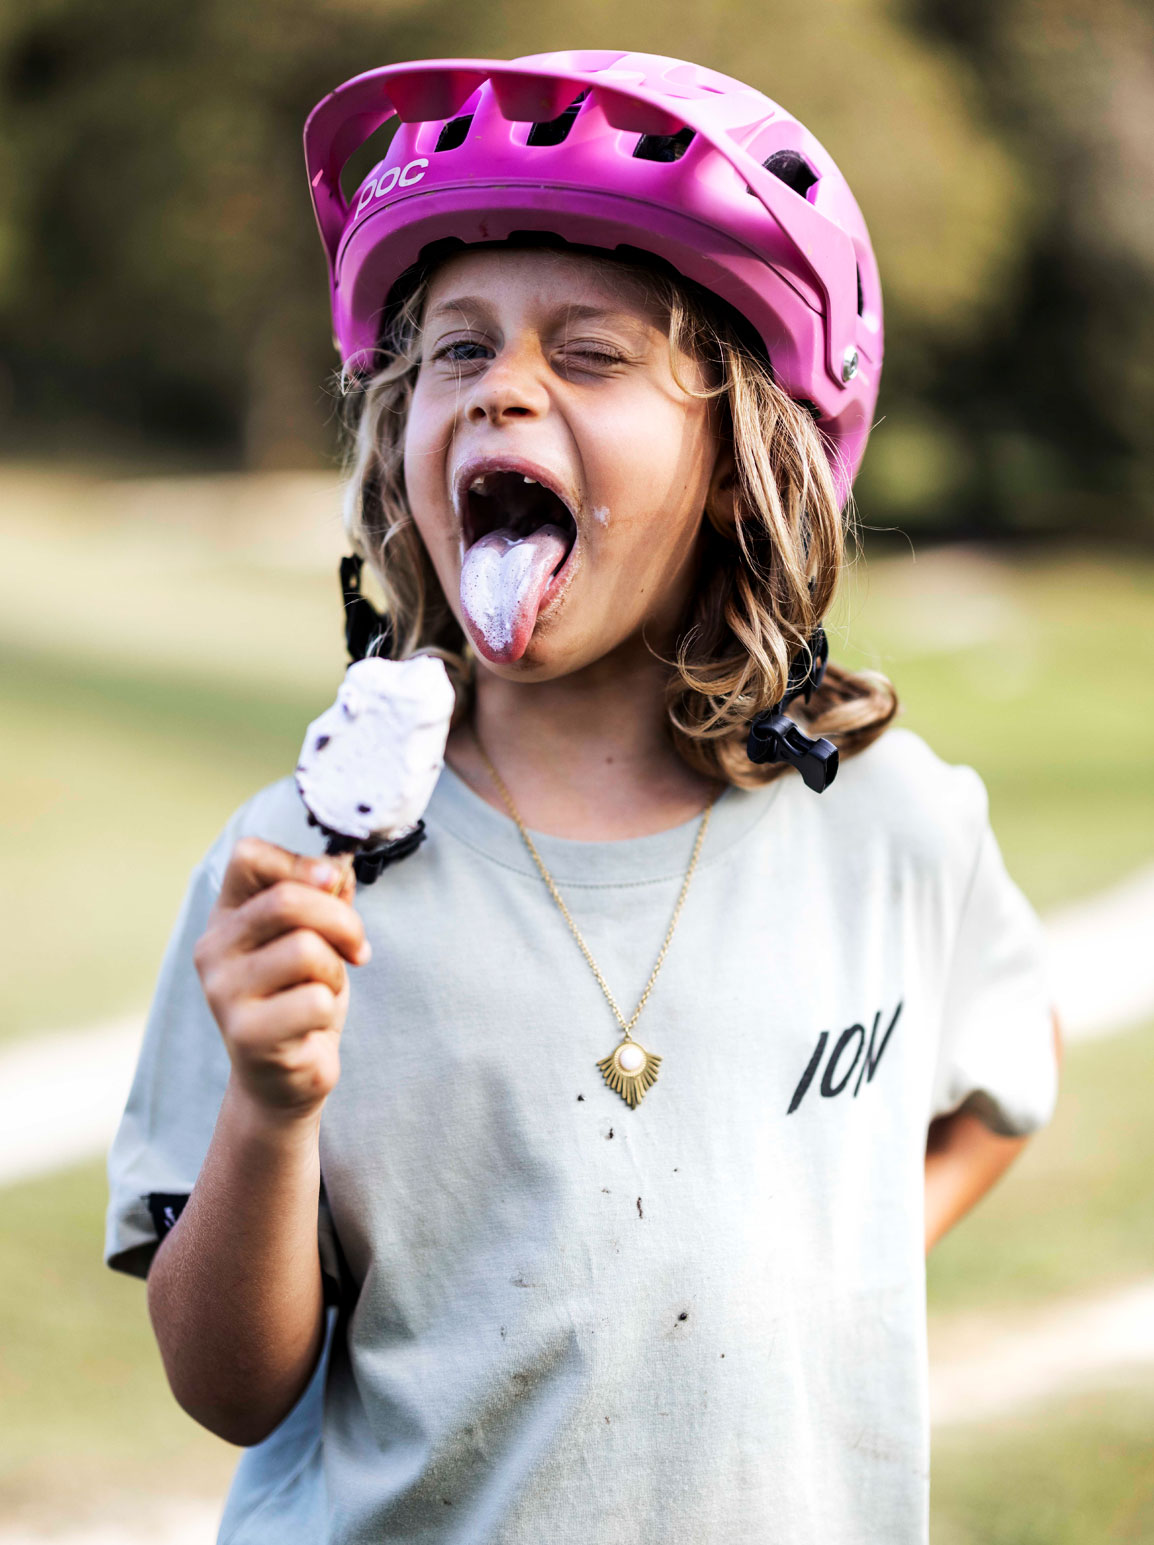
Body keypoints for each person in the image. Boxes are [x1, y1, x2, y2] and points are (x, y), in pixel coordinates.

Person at [105, 50, 1060, 1543]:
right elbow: (227, 1385)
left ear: (742, 463)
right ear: (398, 443)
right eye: (454, 354)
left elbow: (1005, 1065)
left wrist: (827, 1270)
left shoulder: (889, 823)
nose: (502, 393)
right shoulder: (293, 864)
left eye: (591, 355)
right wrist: (273, 1107)